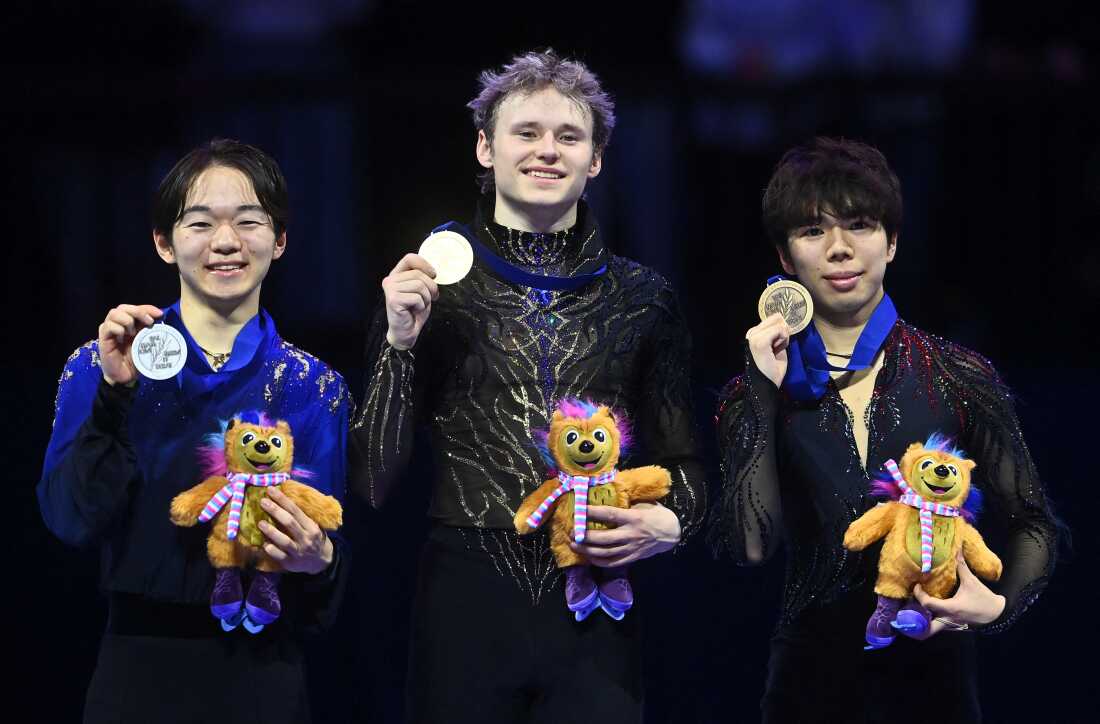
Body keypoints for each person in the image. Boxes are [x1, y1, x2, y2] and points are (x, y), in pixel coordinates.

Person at [350, 49, 706, 723]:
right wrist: (398, 343)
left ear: (596, 160)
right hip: (464, 606)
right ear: (485, 148)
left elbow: (684, 465)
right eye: (527, 133)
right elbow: (371, 477)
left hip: (595, 604)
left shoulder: (643, 299)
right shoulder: (428, 288)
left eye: (569, 136)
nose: (548, 150)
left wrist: (671, 522)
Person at [712, 136, 1059, 722]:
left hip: (936, 690)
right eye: (813, 231)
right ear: (785, 258)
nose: (841, 249)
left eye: (860, 225)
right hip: (806, 692)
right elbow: (752, 544)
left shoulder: (958, 376)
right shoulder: (755, 392)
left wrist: (996, 604)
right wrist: (761, 391)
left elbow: (1036, 525)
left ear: (892, 242)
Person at [38, 138, 351, 724]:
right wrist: (115, 394)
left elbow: (323, 566)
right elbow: (70, 520)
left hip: (266, 676)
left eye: (250, 222)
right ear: (164, 242)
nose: (226, 242)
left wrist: (322, 559)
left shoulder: (314, 385)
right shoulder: (97, 365)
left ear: (279, 241)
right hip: (136, 675)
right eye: (200, 223)